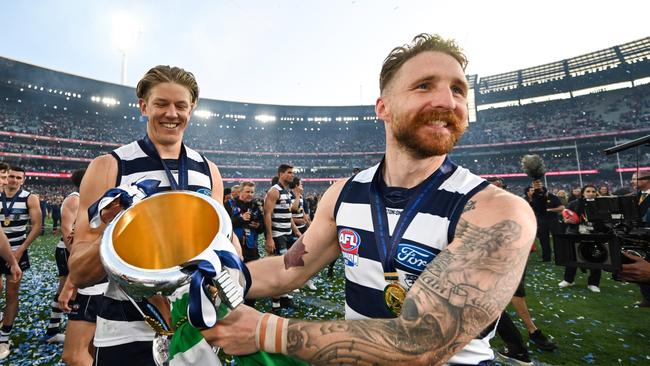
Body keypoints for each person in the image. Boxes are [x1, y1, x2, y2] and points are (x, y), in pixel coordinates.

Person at [203, 33, 535, 365]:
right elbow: (288, 270)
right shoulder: (344, 194)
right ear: (383, 108)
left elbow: (420, 342)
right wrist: (229, 278)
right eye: (424, 86)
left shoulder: (498, 212)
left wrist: (264, 332)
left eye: (458, 90)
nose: (447, 102)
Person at [67, 65, 234, 365]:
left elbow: (224, 249)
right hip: (125, 328)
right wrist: (120, 229)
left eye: (181, 105)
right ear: (144, 106)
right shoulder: (109, 167)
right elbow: (79, 273)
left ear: (191, 110)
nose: (172, 113)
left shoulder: (209, 171)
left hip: (196, 327)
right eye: (161, 104)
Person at [0, 166, 42, 359]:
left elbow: (37, 226)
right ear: (5, 177)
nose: (14, 180)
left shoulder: (29, 198)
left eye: (18, 177)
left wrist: (22, 249)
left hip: (17, 251)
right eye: (11, 176)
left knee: (12, 294)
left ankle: (4, 338)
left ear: (23, 180)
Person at [264, 164, 301, 313]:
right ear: (281, 174)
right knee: (278, 270)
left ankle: (284, 298)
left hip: (287, 235)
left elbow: (288, 214)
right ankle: (276, 306)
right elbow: (267, 214)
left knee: (287, 269)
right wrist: (269, 237)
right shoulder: (274, 191)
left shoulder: (286, 191)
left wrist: (296, 231)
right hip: (278, 236)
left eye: (292, 173)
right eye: (289, 173)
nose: (292, 175)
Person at [225, 181, 264, 307]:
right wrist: (241, 219)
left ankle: (250, 305)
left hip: (251, 248)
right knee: (234, 279)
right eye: (247, 191)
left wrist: (258, 225)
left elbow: (262, 228)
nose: (250, 194)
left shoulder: (256, 206)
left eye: (252, 192)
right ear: (240, 192)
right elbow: (225, 224)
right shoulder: (229, 204)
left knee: (252, 279)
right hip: (235, 249)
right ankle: (235, 306)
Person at [558, 185, 602, 292]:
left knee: (595, 257)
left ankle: (593, 283)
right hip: (575, 232)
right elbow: (565, 215)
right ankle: (568, 280)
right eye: (588, 191)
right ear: (583, 193)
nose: (591, 193)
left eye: (593, 191)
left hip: (594, 233)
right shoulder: (574, 203)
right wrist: (566, 220)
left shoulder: (600, 204)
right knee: (572, 256)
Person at [525, 180, 564, 262]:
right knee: (543, 240)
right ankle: (546, 258)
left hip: (553, 219)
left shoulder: (552, 197)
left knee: (557, 239)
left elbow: (561, 208)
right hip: (541, 221)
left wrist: (549, 210)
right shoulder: (535, 198)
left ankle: (560, 257)